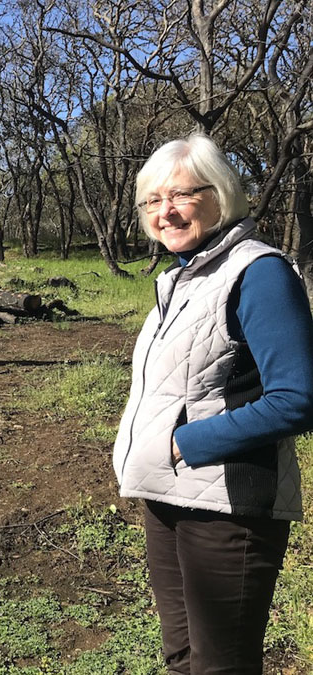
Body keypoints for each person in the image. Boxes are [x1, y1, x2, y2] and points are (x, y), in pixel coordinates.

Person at [113, 133, 313, 674]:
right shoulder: (182, 276)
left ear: (220, 194)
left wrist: (186, 443)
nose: (165, 211)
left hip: (229, 507)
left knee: (221, 665)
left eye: (180, 195)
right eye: (152, 201)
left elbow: (298, 398)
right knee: (181, 657)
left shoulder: (259, 272)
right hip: (166, 495)